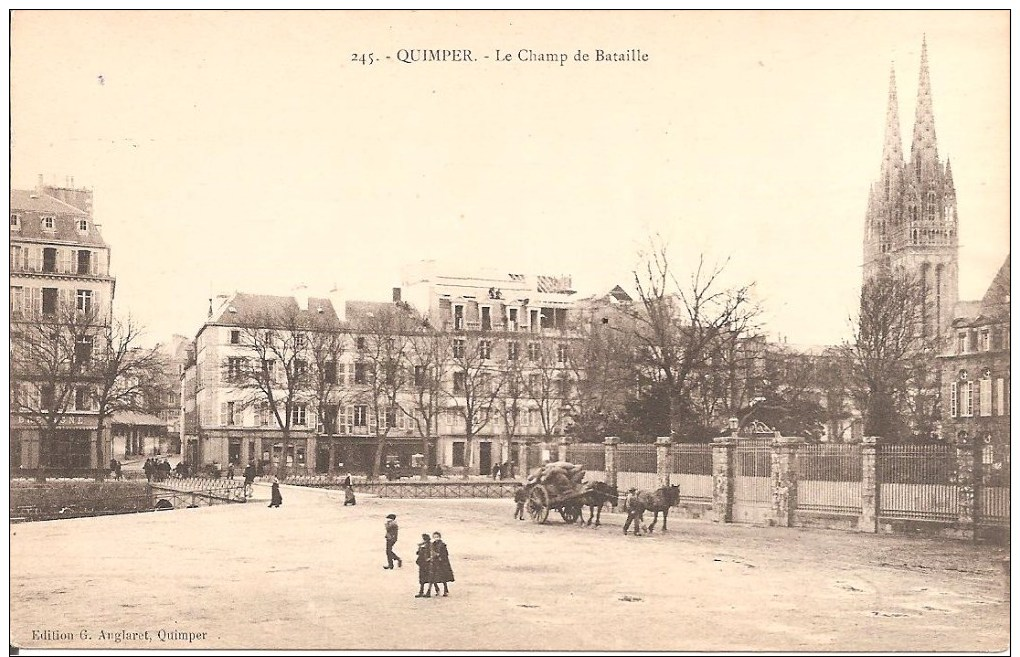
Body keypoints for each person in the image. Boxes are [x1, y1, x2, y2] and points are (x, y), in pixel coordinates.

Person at [429, 531, 454, 597]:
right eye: (434, 537)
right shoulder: (432, 544)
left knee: (443, 577)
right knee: (433, 577)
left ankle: (446, 590)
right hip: (434, 562)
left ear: (440, 537)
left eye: (437, 537)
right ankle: (437, 589)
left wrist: (439, 555)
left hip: (442, 563)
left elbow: (446, 554)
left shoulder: (442, 545)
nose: (436, 538)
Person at [414, 534, 433, 598]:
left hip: (428, 563)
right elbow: (418, 553)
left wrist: (430, 559)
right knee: (422, 578)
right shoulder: (422, 545)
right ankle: (421, 591)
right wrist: (419, 547)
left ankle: (428, 591)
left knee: (429, 577)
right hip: (422, 563)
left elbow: (432, 553)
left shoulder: (430, 545)